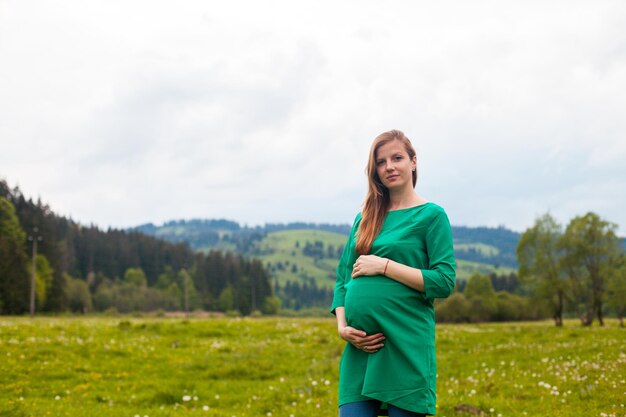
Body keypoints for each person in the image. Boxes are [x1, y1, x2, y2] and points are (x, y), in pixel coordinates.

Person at [331, 130, 456, 417]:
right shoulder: (365, 218)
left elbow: (444, 281)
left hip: (405, 345)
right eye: (381, 161)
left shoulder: (432, 216)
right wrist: (342, 327)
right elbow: (342, 280)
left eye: (397, 158)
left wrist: (383, 266)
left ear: (413, 162)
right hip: (361, 350)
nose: (389, 166)